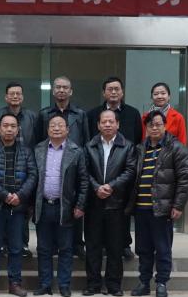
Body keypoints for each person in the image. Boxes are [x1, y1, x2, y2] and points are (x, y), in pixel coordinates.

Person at [128, 110, 188, 297]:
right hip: (141, 209)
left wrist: (178, 205)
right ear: (146, 128)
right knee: (143, 249)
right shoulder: (140, 149)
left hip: (162, 209)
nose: (154, 128)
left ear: (165, 126)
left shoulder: (176, 148)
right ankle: (144, 282)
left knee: (163, 249)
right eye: (151, 125)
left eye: (158, 124)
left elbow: (185, 179)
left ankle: (162, 283)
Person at [0, 114, 37, 297]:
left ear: (18, 129)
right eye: (6, 126)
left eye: (13, 126)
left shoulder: (27, 152)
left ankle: (15, 283)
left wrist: (20, 196)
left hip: (18, 208)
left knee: (16, 247)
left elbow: (33, 175)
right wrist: (5, 196)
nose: (9, 129)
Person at [32, 114, 88, 297]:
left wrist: (80, 205)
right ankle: (45, 284)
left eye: (60, 125)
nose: (56, 128)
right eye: (53, 125)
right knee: (43, 248)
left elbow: (84, 181)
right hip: (43, 206)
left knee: (66, 248)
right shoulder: (38, 149)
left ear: (67, 130)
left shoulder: (76, 151)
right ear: (48, 129)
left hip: (65, 207)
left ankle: (64, 285)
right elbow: (32, 178)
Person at [86, 77, 141, 261]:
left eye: (117, 89)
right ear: (104, 93)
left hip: (123, 173)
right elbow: (89, 142)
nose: (114, 92)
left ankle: (124, 245)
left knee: (121, 214)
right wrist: (96, 185)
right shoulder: (93, 114)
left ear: (122, 92)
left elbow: (138, 139)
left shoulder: (133, 113)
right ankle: (101, 245)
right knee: (97, 217)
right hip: (98, 171)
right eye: (110, 89)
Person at [83, 110, 137, 296]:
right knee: (93, 247)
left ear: (118, 124)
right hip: (94, 205)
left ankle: (114, 285)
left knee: (115, 248)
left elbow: (130, 171)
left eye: (111, 121)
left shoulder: (128, 146)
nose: (107, 124)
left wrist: (111, 186)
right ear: (98, 125)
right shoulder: (89, 146)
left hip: (117, 205)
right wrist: (96, 187)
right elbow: (84, 171)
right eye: (104, 122)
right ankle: (93, 284)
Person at [36, 76, 90, 257]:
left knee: (73, 202)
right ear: (53, 91)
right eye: (58, 87)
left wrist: (83, 162)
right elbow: (39, 140)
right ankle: (53, 245)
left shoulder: (80, 114)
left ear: (71, 91)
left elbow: (86, 140)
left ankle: (77, 243)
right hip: (51, 159)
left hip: (74, 163)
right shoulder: (44, 114)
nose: (61, 90)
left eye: (65, 87)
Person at [0, 82, 38, 258]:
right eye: (12, 93)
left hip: (25, 165)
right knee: (3, 206)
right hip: (2, 163)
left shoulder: (32, 116)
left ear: (22, 97)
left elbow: (37, 140)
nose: (15, 96)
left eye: (18, 93)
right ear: (6, 97)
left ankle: (22, 244)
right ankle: (3, 244)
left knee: (23, 207)